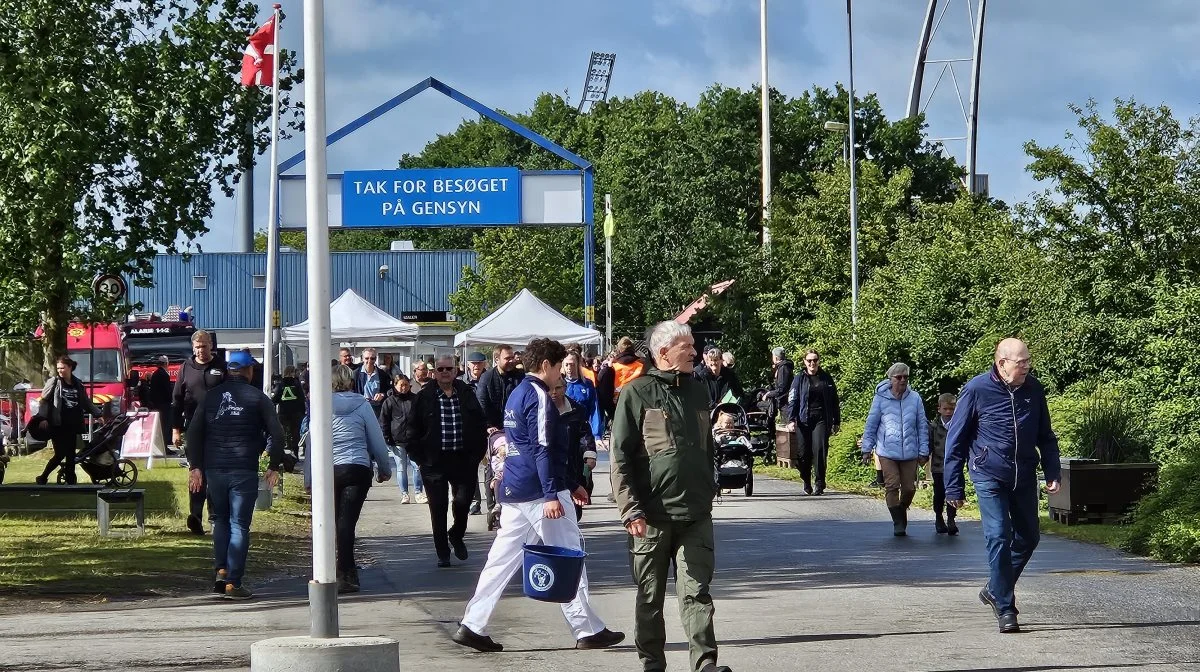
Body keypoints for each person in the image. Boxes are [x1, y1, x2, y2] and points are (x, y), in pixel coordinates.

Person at [454, 338, 624, 654]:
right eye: (559, 367)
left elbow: (522, 445)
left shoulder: (517, 393)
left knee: (500, 561)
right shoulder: (539, 396)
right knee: (571, 553)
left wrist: (566, 482)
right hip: (541, 490)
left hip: (516, 489)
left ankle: (473, 624)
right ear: (546, 365)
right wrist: (553, 492)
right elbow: (543, 448)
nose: (561, 374)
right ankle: (587, 630)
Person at [610, 321, 732, 672]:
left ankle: (705, 663)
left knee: (697, 592)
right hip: (650, 517)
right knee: (650, 598)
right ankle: (652, 664)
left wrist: (710, 484)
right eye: (687, 347)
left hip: (695, 513)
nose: (695, 352)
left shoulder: (697, 391)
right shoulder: (636, 393)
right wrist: (630, 509)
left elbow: (706, 445)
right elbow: (620, 457)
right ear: (663, 353)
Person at [945, 338, 1061, 634]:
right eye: (1020, 362)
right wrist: (953, 486)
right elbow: (955, 440)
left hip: (1023, 475)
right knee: (998, 536)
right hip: (988, 474)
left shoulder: (1033, 389)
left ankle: (995, 587)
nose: (1026, 367)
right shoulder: (977, 389)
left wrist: (1052, 470)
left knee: (1029, 537)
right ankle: (1006, 608)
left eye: (1027, 361)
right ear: (1001, 363)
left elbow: (1046, 436)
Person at [184, 350, 284, 600]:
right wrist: (273, 464)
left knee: (220, 520)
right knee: (239, 525)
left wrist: (196, 466)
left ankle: (221, 570)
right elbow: (277, 433)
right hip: (244, 469)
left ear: (229, 371)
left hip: (215, 469)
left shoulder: (210, 398)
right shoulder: (259, 398)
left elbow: (193, 432)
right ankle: (233, 583)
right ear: (249, 371)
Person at [305, 364, 392, 593]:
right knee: (347, 522)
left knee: (332, 521)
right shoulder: (362, 405)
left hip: (329, 469)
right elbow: (376, 439)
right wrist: (384, 467)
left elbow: (312, 443)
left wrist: (309, 478)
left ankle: (332, 569)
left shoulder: (321, 406)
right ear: (351, 381)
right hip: (356, 467)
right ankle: (346, 571)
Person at [411, 355, 487, 567]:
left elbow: (480, 423)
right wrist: (419, 457)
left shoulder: (466, 393)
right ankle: (442, 552)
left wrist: (477, 453)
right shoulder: (424, 396)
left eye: (449, 369)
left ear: (456, 371)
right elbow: (411, 428)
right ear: (434, 372)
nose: (445, 372)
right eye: (440, 369)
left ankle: (456, 534)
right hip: (433, 462)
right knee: (438, 507)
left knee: (463, 502)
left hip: (463, 460)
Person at [860, 362, 929, 537]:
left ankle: (901, 510)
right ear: (891, 379)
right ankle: (898, 521)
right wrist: (867, 449)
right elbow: (871, 425)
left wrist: (923, 450)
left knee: (909, 488)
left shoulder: (915, 398)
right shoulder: (880, 399)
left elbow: (922, 426)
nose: (903, 380)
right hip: (887, 451)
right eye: (899, 377)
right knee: (892, 485)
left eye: (906, 377)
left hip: (910, 451)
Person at [172, 330, 226, 535]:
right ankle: (195, 516)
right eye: (197, 347)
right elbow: (176, 401)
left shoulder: (221, 367)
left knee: (214, 474)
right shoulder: (186, 368)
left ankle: (214, 516)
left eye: (204, 346)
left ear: (211, 345)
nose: (201, 350)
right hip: (193, 429)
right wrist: (175, 430)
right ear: (192, 348)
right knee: (196, 472)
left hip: (218, 429)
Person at [35, 356, 103, 485]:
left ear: (70, 367)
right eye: (58, 368)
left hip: (73, 424)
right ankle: (43, 477)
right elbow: (43, 401)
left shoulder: (78, 383)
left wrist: (98, 414)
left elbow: (85, 402)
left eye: (63, 368)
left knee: (71, 454)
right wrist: (42, 418)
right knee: (60, 453)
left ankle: (71, 481)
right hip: (58, 424)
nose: (60, 371)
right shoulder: (54, 382)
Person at [785, 349, 841, 495]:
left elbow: (835, 401)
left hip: (821, 419)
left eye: (815, 360)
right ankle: (806, 480)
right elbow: (793, 400)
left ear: (819, 361)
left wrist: (836, 421)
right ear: (804, 362)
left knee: (820, 451)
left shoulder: (826, 378)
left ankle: (819, 483)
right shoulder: (799, 379)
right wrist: (791, 419)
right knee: (803, 454)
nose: (812, 363)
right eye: (809, 360)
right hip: (803, 420)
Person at [475, 344, 523, 514]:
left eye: (512, 357)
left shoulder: (519, 376)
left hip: (515, 428)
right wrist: (488, 425)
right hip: (493, 430)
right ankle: (491, 506)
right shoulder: (487, 378)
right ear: (497, 359)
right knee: (492, 465)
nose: (512, 361)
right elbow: (481, 403)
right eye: (507, 358)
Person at [552, 378, 598, 521]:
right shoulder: (541, 409)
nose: (554, 392)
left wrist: (589, 455)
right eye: (551, 388)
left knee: (574, 510)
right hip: (551, 463)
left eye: (558, 388)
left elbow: (585, 434)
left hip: (572, 461)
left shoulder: (576, 409)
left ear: (565, 388)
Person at [380, 374, 424, 505]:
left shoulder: (416, 399)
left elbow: (422, 419)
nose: (404, 388)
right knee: (401, 468)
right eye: (401, 385)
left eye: (406, 385)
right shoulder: (389, 401)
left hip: (414, 440)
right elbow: (384, 421)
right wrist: (387, 437)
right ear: (395, 386)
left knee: (417, 467)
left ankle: (418, 492)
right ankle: (404, 494)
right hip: (397, 440)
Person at [929, 393, 958, 535]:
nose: (948, 412)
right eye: (945, 409)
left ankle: (951, 519)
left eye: (951, 409)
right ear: (939, 409)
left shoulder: (959, 425)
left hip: (954, 465)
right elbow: (928, 444)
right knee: (939, 493)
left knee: (953, 492)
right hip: (938, 466)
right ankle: (939, 517)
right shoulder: (934, 426)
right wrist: (922, 456)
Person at [596, 336, 644, 423]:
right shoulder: (642, 366)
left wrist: (611, 414)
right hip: (638, 408)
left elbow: (604, 394)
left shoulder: (612, 368)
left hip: (617, 408)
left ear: (619, 349)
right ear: (633, 349)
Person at [562, 352, 604, 445]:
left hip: (583, 432)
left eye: (572, 365)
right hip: (563, 433)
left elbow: (594, 409)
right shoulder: (559, 385)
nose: (569, 368)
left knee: (587, 458)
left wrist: (597, 436)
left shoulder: (587, 384)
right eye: (567, 364)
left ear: (578, 365)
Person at [271, 366, 306, 466]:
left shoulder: (281, 383)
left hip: (284, 412)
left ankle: (283, 454)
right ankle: (296, 454)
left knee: (283, 433)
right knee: (295, 434)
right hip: (296, 412)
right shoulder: (296, 383)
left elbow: (276, 398)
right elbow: (301, 398)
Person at [759, 347, 793, 426]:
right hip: (783, 402)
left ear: (776, 357)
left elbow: (782, 389)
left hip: (786, 402)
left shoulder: (784, 368)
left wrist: (768, 394)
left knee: (789, 425)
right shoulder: (781, 367)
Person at [146, 355, 174, 452]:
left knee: (160, 426)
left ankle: (160, 446)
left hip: (156, 404)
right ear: (166, 363)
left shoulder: (156, 374)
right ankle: (164, 447)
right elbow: (167, 390)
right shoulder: (164, 374)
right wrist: (171, 399)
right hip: (164, 405)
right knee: (165, 426)